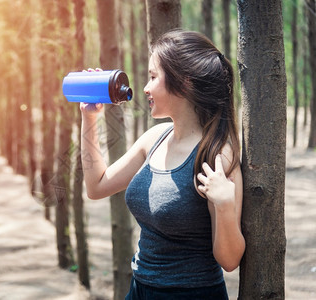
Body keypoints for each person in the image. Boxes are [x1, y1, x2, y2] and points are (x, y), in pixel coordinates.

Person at [80, 29, 245, 299]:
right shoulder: (155, 138)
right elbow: (97, 187)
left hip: (190, 294)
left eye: (153, 77)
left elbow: (229, 260)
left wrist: (225, 205)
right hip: (140, 287)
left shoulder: (216, 155)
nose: (145, 87)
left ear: (185, 83)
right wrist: (89, 120)